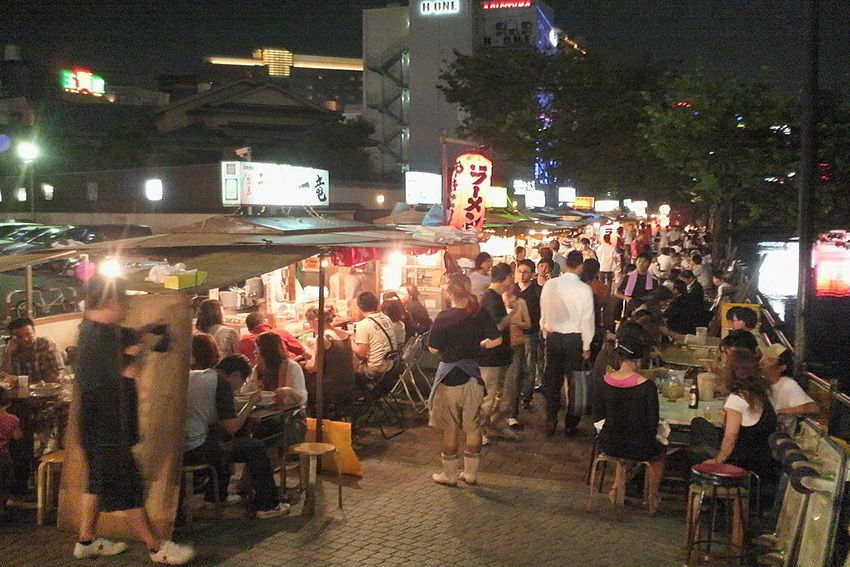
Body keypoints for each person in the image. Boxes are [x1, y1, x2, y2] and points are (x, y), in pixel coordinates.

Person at [74, 276, 195, 564]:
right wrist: (148, 351)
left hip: (93, 424)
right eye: (122, 303)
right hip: (108, 426)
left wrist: (150, 329)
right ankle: (156, 548)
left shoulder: (92, 329)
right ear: (109, 302)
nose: (125, 308)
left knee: (97, 483)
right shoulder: (102, 339)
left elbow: (127, 335)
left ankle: (86, 541)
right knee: (126, 486)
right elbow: (132, 372)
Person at [183, 337, 290, 519]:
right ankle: (268, 505)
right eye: (242, 381)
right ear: (235, 375)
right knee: (254, 447)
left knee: (224, 442)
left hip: (178, 446)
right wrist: (250, 402)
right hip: (194, 450)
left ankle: (214, 498)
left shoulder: (196, 375)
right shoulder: (222, 384)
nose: (239, 387)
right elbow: (232, 426)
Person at [427, 275, 502, 486]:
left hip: (448, 379)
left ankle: (450, 476)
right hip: (474, 377)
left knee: (449, 428)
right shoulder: (479, 313)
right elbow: (497, 339)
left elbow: (433, 348)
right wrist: (481, 345)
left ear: (449, 293)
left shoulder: (443, 317)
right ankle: (470, 474)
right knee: (473, 427)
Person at [592, 337, 665, 508]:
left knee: (622, 447)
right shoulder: (647, 387)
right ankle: (653, 497)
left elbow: (597, 416)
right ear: (638, 360)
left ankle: (616, 489)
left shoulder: (604, 381)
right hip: (638, 446)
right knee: (660, 452)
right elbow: (652, 422)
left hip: (609, 443)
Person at [690, 349, 780, 486]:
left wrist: (718, 461)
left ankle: (701, 498)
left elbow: (730, 438)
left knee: (692, 452)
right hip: (763, 459)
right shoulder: (762, 394)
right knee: (699, 424)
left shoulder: (737, 399)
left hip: (741, 462)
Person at [540, 250, 595, 437]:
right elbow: (587, 321)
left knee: (553, 381)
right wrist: (587, 346)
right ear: (580, 266)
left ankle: (550, 419)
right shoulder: (584, 289)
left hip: (553, 338)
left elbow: (543, 312)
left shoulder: (550, 285)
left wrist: (546, 332)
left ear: (565, 265)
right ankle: (571, 424)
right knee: (575, 383)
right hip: (574, 340)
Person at [478, 263, 520, 441]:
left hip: (501, 354)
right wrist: (511, 313)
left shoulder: (495, 296)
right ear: (507, 278)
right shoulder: (490, 298)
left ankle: (496, 424)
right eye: (512, 277)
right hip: (491, 357)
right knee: (489, 395)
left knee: (502, 394)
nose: (513, 281)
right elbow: (496, 327)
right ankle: (479, 431)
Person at [303, 306, 356, 417]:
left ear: (316, 321)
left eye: (310, 322)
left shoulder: (323, 337)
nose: (310, 326)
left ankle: (312, 419)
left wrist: (304, 365)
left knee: (304, 380)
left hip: (330, 386)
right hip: (348, 381)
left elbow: (316, 367)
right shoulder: (344, 334)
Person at [760, 344, 818, 434]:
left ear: (782, 367)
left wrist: (778, 412)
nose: (763, 362)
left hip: (777, 435)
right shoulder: (761, 382)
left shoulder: (788, 385)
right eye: (763, 358)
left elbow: (812, 408)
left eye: (769, 360)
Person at [351, 291, 403, 382]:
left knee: (347, 365)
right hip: (391, 364)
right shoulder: (386, 318)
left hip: (376, 369)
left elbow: (361, 353)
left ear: (359, 307)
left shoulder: (364, 324)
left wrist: (349, 340)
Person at [513, 259, 542, 410]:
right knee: (515, 367)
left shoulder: (537, 290)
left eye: (526, 272)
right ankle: (514, 397)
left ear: (532, 274)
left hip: (531, 333)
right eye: (520, 271)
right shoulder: (512, 290)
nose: (522, 275)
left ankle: (527, 397)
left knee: (530, 366)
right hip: (514, 333)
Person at [1, 316, 64, 382]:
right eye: (19, 337)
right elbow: (5, 376)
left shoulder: (45, 343)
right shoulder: (13, 350)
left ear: (34, 331)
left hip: (48, 388)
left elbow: (57, 373)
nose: (25, 339)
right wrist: (8, 352)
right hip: (23, 390)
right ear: (13, 338)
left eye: (28, 334)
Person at [504, 285, 531, 427]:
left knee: (514, 379)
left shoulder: (520, 302)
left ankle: (511, 414)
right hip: (500, 344)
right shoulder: (496, 301)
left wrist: (514, 322)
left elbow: (528, 324)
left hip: (516, 343)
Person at [238, 311, 305, 365]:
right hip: (285, 374)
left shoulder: (244, 342)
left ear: (249, 329)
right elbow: (304, 353)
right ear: (265, 321)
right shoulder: (281, 333)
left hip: (259, 378)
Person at [613, 253, 658, 319]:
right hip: (629, 308)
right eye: (639, 261)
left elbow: (655, 297)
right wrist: (627, 298)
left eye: (644, 262)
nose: (641, 264)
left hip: (645, 310)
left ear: (649, 264)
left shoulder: (653, 280)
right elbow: (616, 293)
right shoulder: (627, 277)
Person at [0, 387, 22, 516]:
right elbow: (17, 436)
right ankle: (1, 510)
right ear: (8, 402)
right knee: (3, 485)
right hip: (3, 455)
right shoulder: (13, 419)